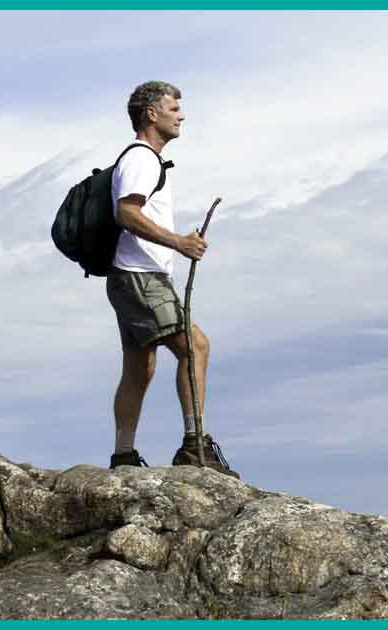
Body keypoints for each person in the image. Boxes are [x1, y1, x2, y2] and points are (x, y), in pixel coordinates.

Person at [105, 80, 238, 479]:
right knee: (195, 346)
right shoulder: (142, 159)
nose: (181, 116)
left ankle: (123, 456)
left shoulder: (144, 160)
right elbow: (126, 213)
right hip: (140, 276)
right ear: (151, 113)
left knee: (140, 366)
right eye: (174, 108)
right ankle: (194, 444)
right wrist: (178, 242)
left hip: (131, 276)